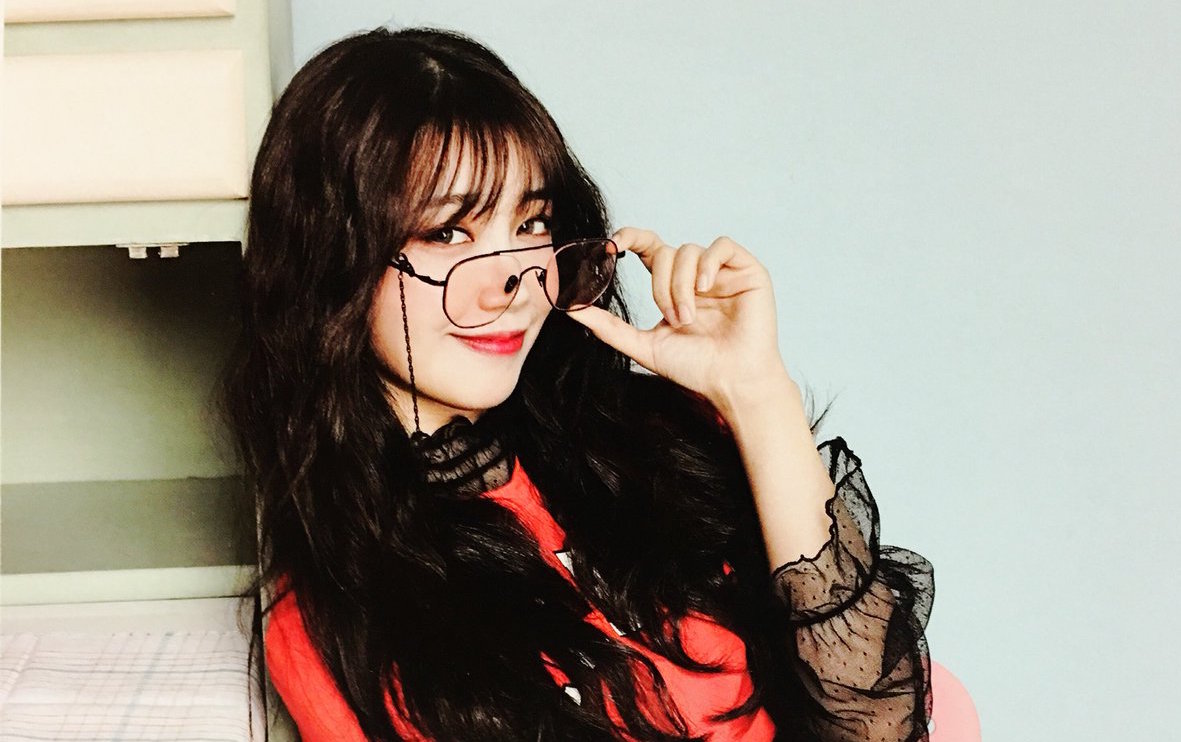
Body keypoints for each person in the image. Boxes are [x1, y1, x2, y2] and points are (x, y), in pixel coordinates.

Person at [222, 25, 935, 742]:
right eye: (448, 232)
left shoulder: (645, 444)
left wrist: (754, 390)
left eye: (531, 222)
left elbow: (874, 723)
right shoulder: (342, 617)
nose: (513, 282)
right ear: (332, 260)